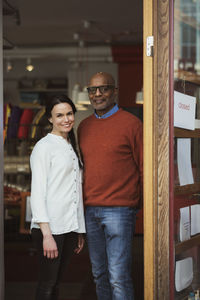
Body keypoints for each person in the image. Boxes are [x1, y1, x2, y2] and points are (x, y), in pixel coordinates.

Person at [78, 72, 143, 300]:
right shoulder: (83, 127)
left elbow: (145, 168)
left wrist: (138, 205)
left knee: (118, 276)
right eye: (93, 90)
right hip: (90, 211)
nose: (98, 94)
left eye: (104, 88)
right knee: (99, 274)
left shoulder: (132, 124)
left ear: (114, 91)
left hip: (120, 211)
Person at [30, 94, 86, 300]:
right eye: (59, 115)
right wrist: (47, 235)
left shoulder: (71, 145)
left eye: (69, 113)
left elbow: (75, 191)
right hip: (50, 229)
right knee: (47, 284)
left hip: (69, 227)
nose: (66, 119)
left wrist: (79, 230)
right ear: (50, 119)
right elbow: (37, 193)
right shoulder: (43, 147)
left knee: (56, 283)